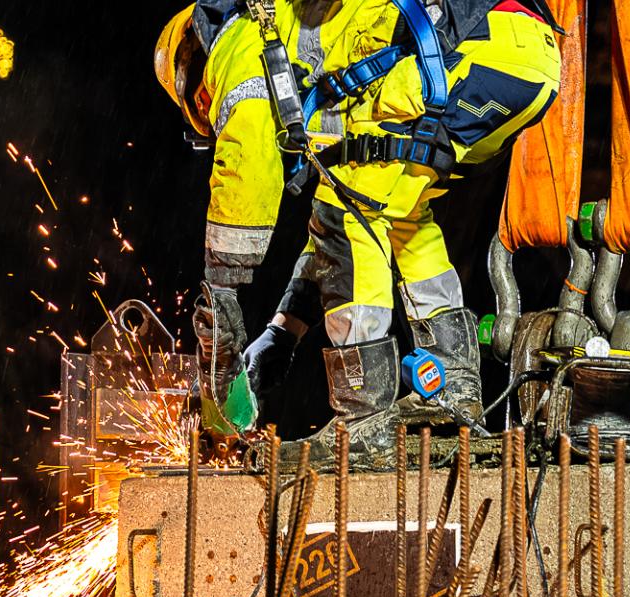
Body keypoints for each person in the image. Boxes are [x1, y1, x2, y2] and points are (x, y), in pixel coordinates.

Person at [152, 0, 562, 462]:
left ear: (196, 93)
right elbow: (334, 242)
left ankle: (364, 418)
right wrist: (282, 332)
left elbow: (249, 165)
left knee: (346, 214)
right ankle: (453, 389)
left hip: (471, 47)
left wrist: (222, 290)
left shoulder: (236, 43)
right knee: (396, 213)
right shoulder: (292, 41)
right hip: (519, 56)